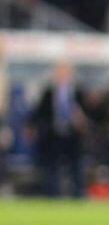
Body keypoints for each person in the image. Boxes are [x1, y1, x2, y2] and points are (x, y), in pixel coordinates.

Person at [31, 62, 90, 197]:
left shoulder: (78, 93)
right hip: (53, 136)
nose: (63, 76)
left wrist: (81, 120)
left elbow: (87, 115)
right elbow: (40, 114)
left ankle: (78, 196)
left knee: (76, 168)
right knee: (52, 169)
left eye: (66, 73)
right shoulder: (48, 93)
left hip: (73, 136)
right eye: (60, 73)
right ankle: (53, 196)